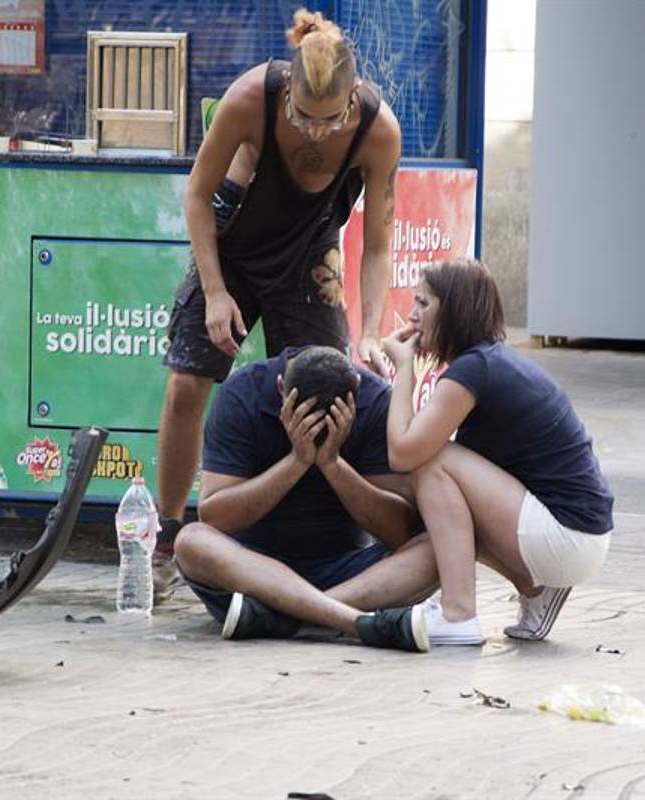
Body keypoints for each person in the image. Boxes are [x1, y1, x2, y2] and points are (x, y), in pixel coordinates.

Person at [154, 8, 401, 595]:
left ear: (353, 100)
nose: (316, 132)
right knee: (187, 385)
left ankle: (306, 541)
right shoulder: (250, 99)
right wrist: (215, 293)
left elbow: (377, 245)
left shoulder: (376, 130)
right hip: (233, 243)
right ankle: (168, 536)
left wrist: (370, 327)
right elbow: (195, 197)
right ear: (287, 90)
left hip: (309, 256)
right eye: (304, 118)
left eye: (329, 121)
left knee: (321, 392)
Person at [379, 259, 614, 646]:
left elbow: (403, 453)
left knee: (431, 463)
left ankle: (457, 614)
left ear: (453, 309)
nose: (412, 314)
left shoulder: (473, 371)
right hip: (580, 536)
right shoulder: (488, 362)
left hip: (570, 536)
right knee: (442, 497)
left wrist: (402, 368)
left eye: (423, 303)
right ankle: (536, 591)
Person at [172, 346, 437, 653]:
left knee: (443, 545)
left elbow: (400, 531)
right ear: (281, 387)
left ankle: (290, 617)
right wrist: (297, 462)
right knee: (191, 541)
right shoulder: (243, 392)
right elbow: (215, 517)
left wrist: (333, 465)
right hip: (252, 574)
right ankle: (351, 621)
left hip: (350, 575)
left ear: (356, 394)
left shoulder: (375, 400)